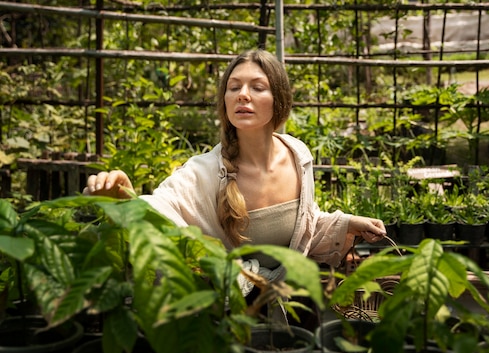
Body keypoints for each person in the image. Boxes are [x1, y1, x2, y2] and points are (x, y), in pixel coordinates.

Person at [82, 49, 386, 317]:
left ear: (278, 100)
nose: (243, 94)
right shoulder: (203, 172)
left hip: (290, 309)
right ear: (225, 101)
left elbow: (301, 226)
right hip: (223, 313)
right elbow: (161, 209)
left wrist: (347, 222)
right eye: (234, 87)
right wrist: (124, 198)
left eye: (257, 87)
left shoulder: (298, 157)